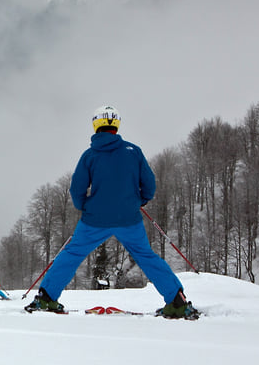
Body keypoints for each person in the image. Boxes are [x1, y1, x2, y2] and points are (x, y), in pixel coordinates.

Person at [25, 106, 200, 319]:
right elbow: (149, 184)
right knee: (145, 256)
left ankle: (46, 298)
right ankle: (177, 302)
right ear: (116, 126)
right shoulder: (133, 151)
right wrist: (140, 201)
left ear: (96, 126)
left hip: (94, 219)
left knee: (73, 254)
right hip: (129, 218)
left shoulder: (89, 155)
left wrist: (84, 206)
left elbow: (76, 188)